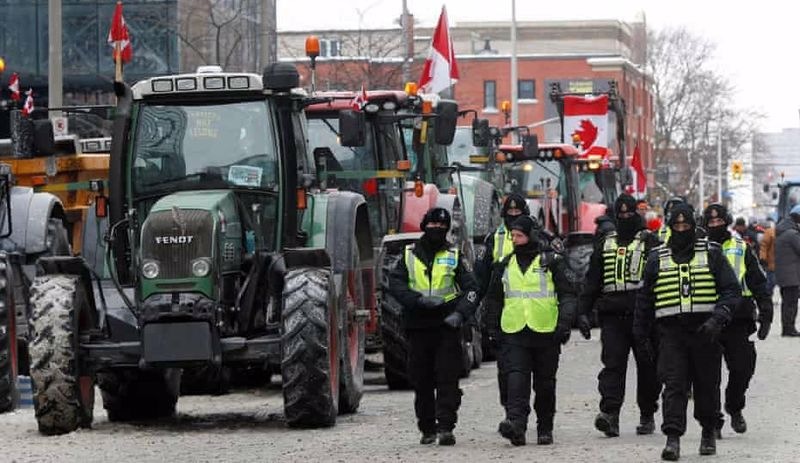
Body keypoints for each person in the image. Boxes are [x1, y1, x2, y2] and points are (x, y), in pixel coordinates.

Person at [633, 203, 740, 461]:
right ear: (670, 227)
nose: (682, 229)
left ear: (694, 226)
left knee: (706, 386)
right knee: (674, 386)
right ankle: (673, 438)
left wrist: (719, 319)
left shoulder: (712, 254)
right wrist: (641, 335)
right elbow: (644, 300)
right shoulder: (657, 258)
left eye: (686, 225)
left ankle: (707, 431)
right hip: (671, 333)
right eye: (677, 225)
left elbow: (731, 291)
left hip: (706, 331)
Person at [387, 207, 480, 445]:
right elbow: (395, 285)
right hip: (418, 325)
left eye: (442, 227)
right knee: (421, 380)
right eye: (433, 225)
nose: (436, 230)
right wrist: (416, 301)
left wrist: (460, 315)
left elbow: (471, 289)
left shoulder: (454, 255)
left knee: (448, 379)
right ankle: (427, 428)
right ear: (424, 226)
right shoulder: (408, 255)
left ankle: (446, 426)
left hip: (446, 326)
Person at [484, 215, 577, 446]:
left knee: (545, 384)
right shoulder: (505, 264)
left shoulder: (551, 262)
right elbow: (494, 299)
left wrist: (565, 324)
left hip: (546, 331)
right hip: (514, 331)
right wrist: (491, 328)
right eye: (513, 236)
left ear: (531, 236)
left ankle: (545, 427)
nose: (515, 240)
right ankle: (516, 425)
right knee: (516, 380)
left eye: (520, 235)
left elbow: (568, 294)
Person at [577, 194, 662, 437]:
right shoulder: (605, 243)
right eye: (620, 214)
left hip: (644, 317)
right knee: (613, 365)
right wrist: (583, 312)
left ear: (636, 213)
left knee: (648, 367)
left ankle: (647, 414)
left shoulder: (650, 242)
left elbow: (660, 279)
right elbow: (592, 280)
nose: (625, 217)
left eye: (629, 214)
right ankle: (610, 414)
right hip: (613, 316)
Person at [702, 204, 773, 437]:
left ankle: (734, 406)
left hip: (739, 319)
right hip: (708, 317)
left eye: (719, 222)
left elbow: (757, 282)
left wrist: (766, 313)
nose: (715, 226)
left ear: (728, 221)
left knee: (742, 369)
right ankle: (713, 421)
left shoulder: (741, 248)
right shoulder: (698, 250)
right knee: (708, 375)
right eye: (710, 223)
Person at [475, 193, 530, 408]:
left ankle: (531, 416)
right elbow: (481, 278)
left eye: (518, 212)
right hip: (503, 312)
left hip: (535, 314)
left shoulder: (540, 238)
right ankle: (511, 411)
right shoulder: (493, 239)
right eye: (510, 212)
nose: (514, 216)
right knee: (507, 368)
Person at [774, 205, 800, 337]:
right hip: (791, 275)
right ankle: (789, 329)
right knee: (791, 303)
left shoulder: (782, 232)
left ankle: (787, 328)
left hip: (784, 274)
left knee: (787, 302)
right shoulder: (792, 234)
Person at [759, 217, 777, 296]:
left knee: (772, 282)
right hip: (771, 263)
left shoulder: (773, 232)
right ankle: (767, 297)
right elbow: (764, 246)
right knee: (771, 283)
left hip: (776, 262)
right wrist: (763, 258)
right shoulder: (769, 232)